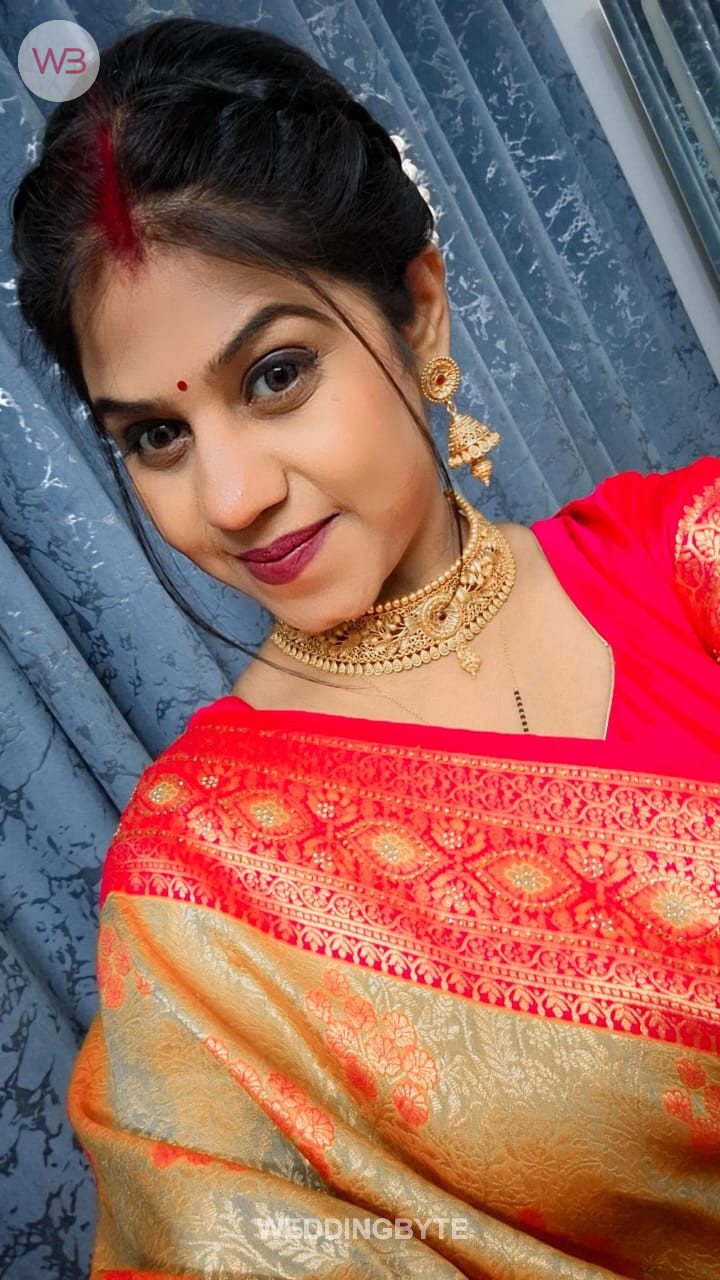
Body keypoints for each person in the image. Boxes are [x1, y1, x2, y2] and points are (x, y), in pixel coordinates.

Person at [9, 14, 720, 1280]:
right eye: (156, 438)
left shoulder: (689, 556)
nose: (230, 497)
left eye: (275, 374)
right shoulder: (199, 885)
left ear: (421, 314)